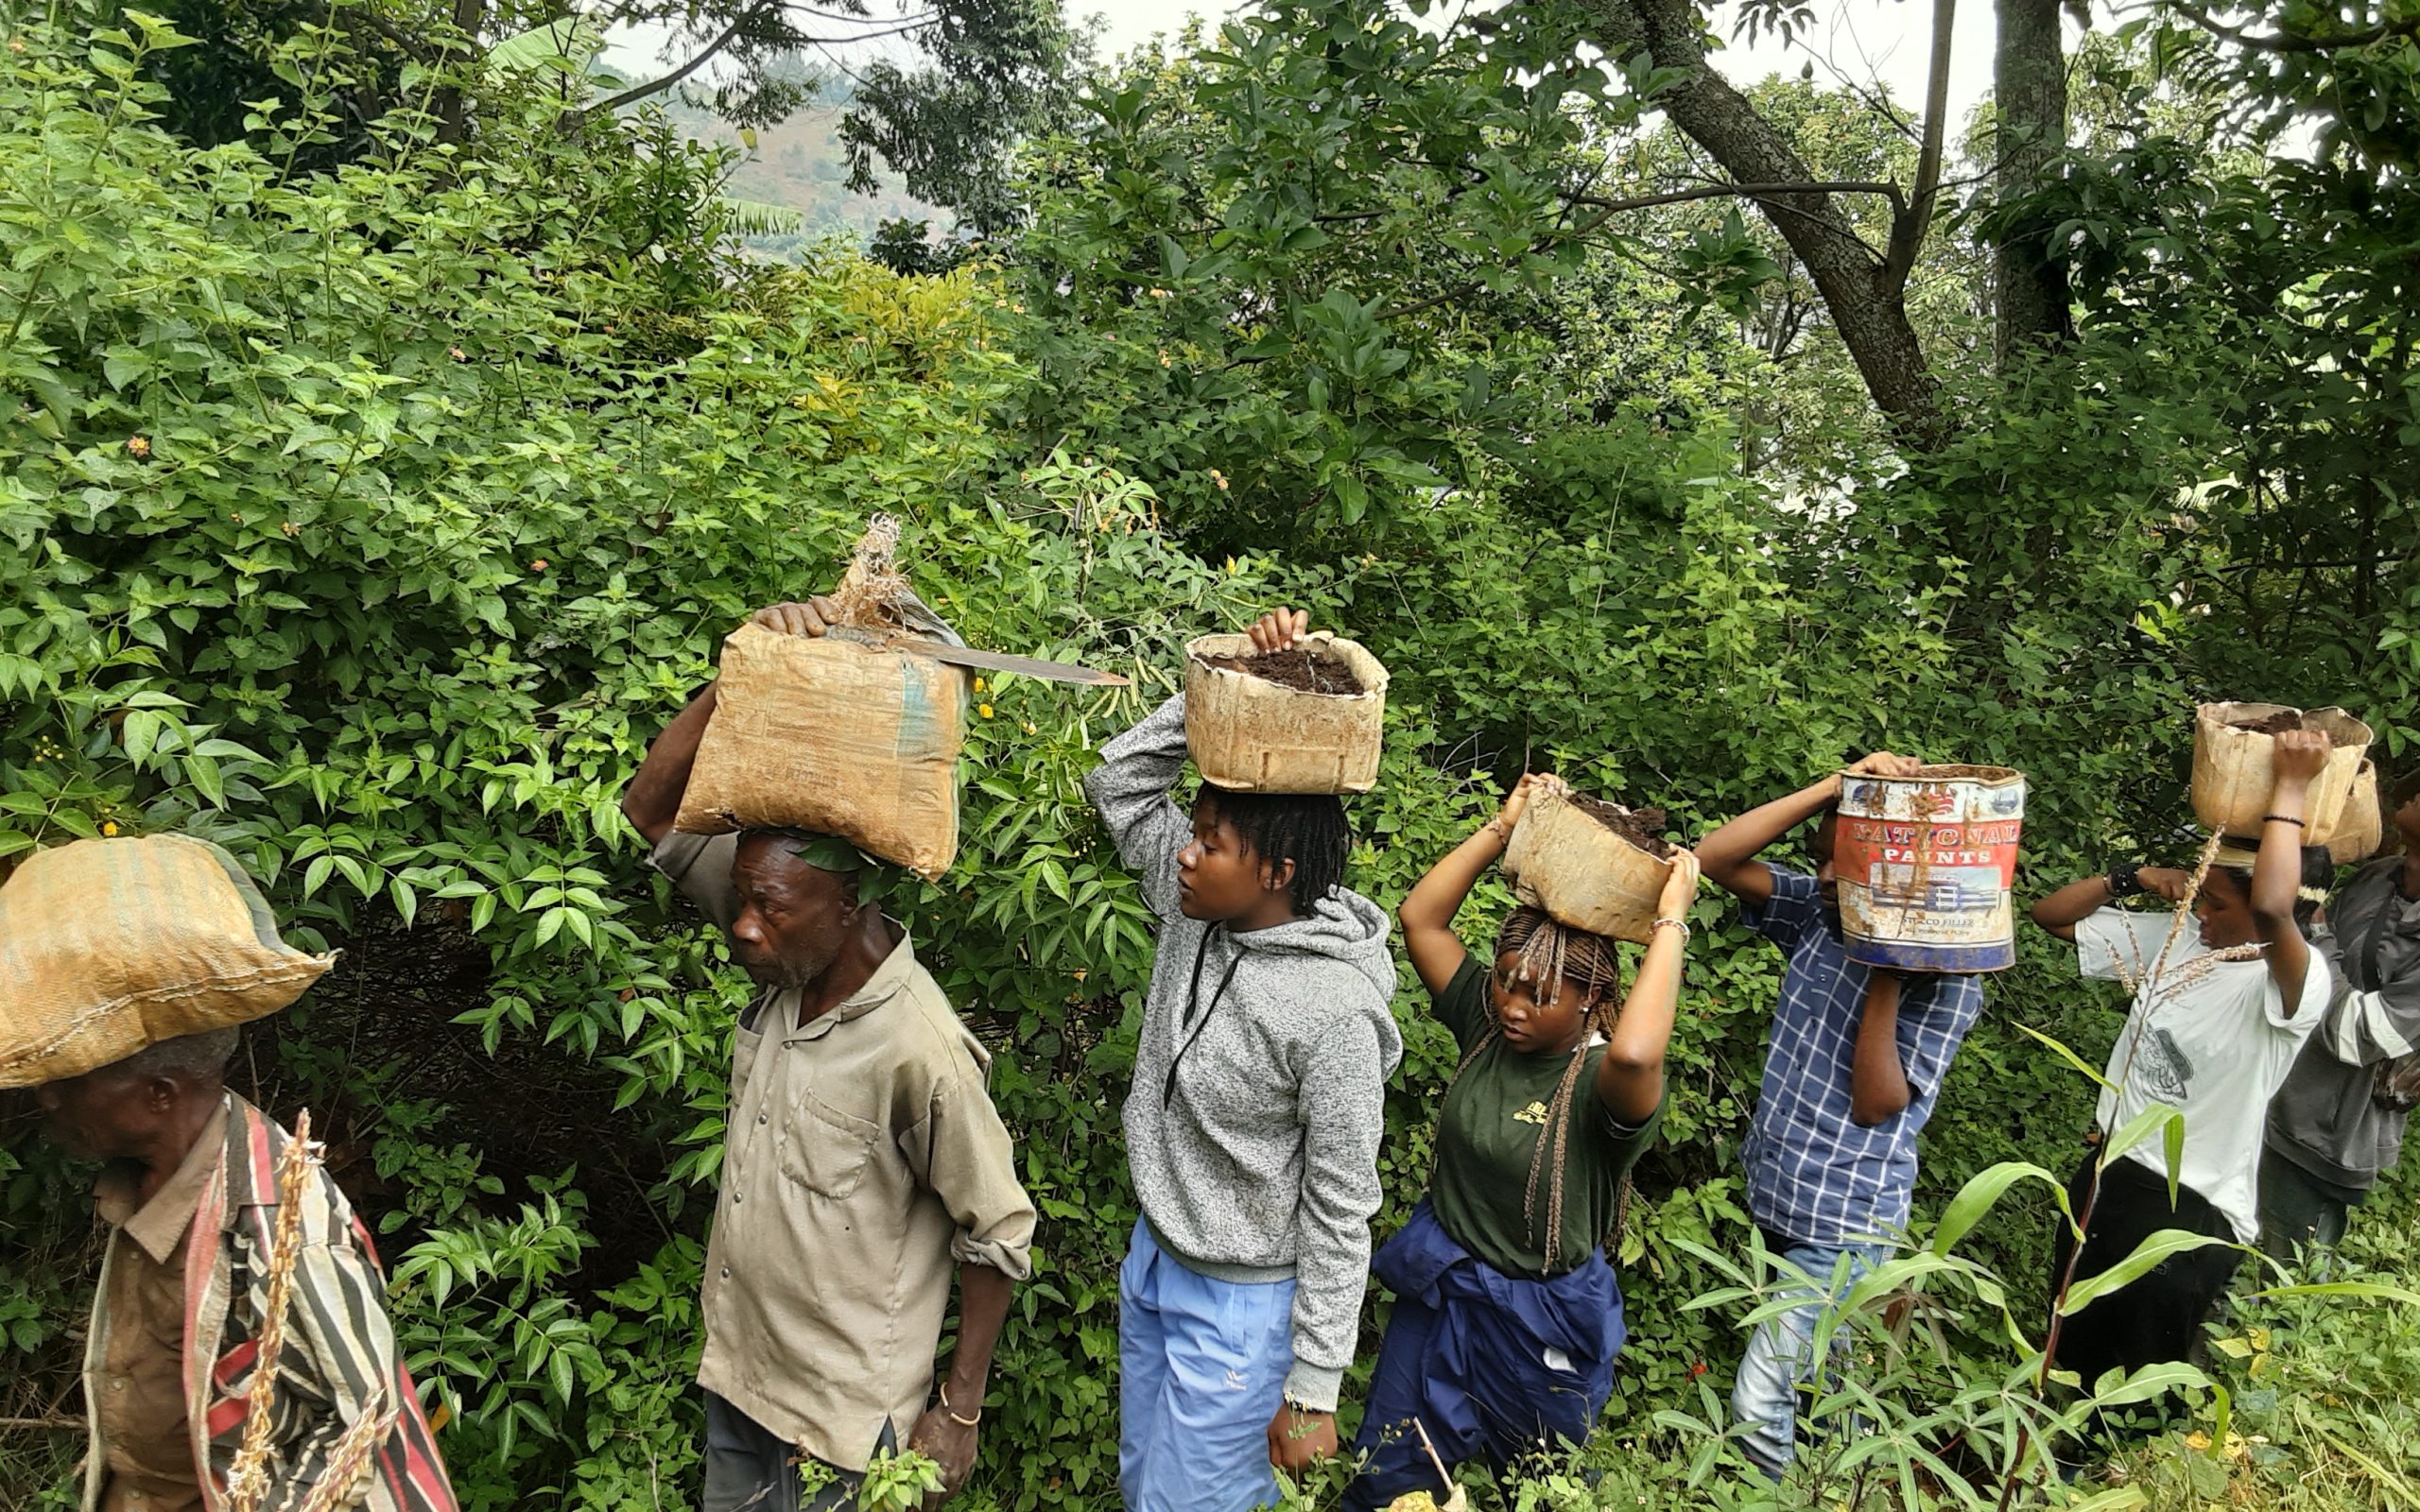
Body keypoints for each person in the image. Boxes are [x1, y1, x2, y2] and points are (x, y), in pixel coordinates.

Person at [621, 592, 1037, 1512]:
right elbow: (650, 808)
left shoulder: (917, 1046)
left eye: (770, 907)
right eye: (743, 898)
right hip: (740, 1381)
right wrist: (738, 676)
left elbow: (999, 1233)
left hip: (850, 1433)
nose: (742, 925)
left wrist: (957, 1412)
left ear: (849, 910)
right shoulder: (785, 970)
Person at [1083, 608, 1402, 1512]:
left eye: (1210, 842)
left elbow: (1342, 1205)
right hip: (1158, 1260)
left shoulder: (1333, 1010)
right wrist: (1234, 705)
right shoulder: (1198, 913)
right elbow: (1120, 784)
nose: (1185, 853)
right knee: (1147, 1488)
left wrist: (1313, 1386)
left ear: (1276, 871)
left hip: (1244, 1312)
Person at [1342, 774, 1700, 1509]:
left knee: (1542, 1491)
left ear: (1593, 1001)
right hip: (1444, 1287)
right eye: (1506, 981)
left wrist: (1671, 921)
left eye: (1540, 995)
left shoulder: (1604, 1082)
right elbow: (1421, 919)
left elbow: (1637, 1053)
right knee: (1389, 1475)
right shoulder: (1486, 1027)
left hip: (1541, 1319)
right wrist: (1503, 830)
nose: (1513, 1005)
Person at [1694, 753, 1989, 1479]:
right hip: (1780, 1200)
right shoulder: (1818, 916)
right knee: (1830, 1398)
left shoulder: (1949, 982)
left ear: (1894, 880)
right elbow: (1714, 858)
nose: (1824, 877)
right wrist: (1836, 788)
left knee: (1761, 1406)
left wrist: (1887, 971)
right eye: (1821, 859)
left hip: (1845, 1227)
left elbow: (1878, 1100)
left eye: (1843, 864)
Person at [34, 1027, 457, 1512]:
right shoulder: (154, 1172)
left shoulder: (280, 1219)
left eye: (79, 1080)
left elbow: (363, 1415)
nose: (49, 1096)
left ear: (160, 1095)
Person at [2027, 730, 2335, 1385]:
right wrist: (2130, 876)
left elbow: (2278, 906)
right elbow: (2049, 916)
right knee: (2067, 1353)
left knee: (2137, 1386)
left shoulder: (2291, 987)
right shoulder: (2178, 942)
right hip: (2110, 1174)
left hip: (2187, 1207)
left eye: (2216, 903)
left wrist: (2290, 786)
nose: (2199, 912)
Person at [2259, 766, 2420, 1265]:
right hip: (2269, 1093)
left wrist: (2314, 934)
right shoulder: (2379, 875)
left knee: (2281, 1287)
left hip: (2327, 1135)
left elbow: (2359, 1035)